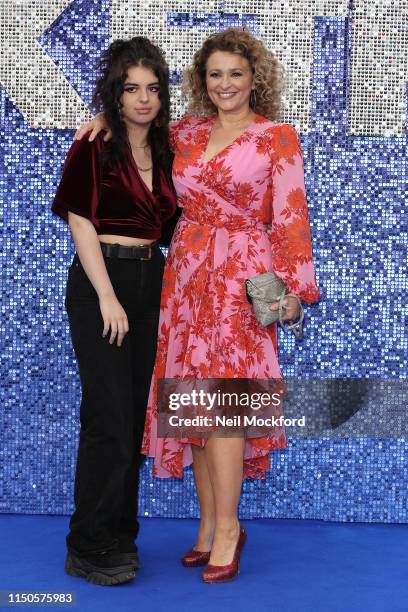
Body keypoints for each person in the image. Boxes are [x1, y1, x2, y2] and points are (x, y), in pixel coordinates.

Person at [75, 27, 320, 583]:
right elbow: (137, 133)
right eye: (215, 74)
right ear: (201, 81)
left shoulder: (276, 137)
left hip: (241, 275)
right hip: (184, 272)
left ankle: (230, 530)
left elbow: (290, 216)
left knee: (227, 404)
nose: (225, 83)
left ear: (255, 78)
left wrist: (290, 292)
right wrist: (106, 123)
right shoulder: (183, 131)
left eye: (236, 73)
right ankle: (208, 527)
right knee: (195, 403)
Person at [51, 37, 177, 585]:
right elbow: (80, 219)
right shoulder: (97, 144)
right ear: (115, 94)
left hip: (153, 280)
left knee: (131, 417)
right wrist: (106, 295)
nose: (142, 99)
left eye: (152, 88)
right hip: (103, 279)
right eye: (130, 89)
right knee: (108, 419)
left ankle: (120, 535)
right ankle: (88, 544)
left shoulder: (171, 148)